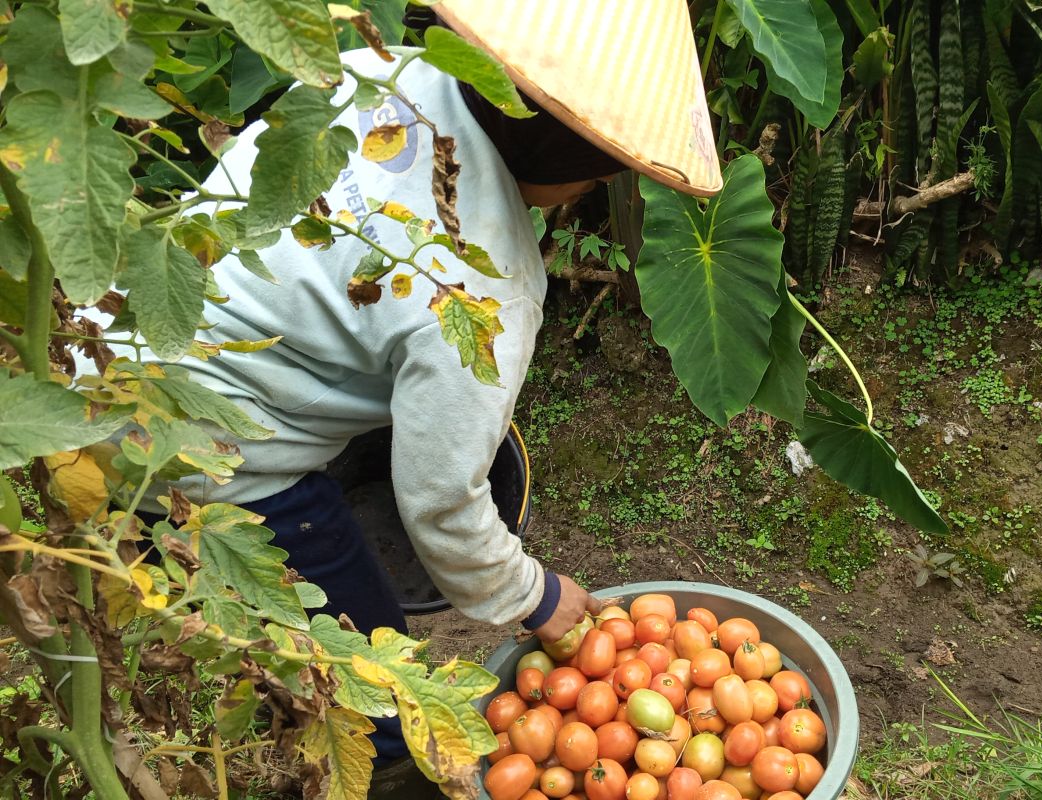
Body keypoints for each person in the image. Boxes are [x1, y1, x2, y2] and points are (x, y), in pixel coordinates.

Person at [124, 0, 721, 788]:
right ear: (566, 149)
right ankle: (389, 771)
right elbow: (442, 498)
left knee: (302, 638)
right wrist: (535, 596)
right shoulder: (484, 293)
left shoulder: (380, 71)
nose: (581, 195)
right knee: (374, 671)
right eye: (594, 176)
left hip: (128, 333)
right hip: (212, 446)